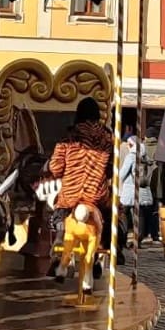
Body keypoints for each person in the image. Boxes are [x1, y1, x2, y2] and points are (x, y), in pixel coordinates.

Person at [47, 97, 114, 277]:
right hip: (96, 196)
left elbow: (55, 168)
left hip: (71, 195)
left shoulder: (69, 136)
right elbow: (111, 170)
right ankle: (103, 248)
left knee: (58, 215)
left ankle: (59, 250)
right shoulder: (107, 137)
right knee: (111, 217)